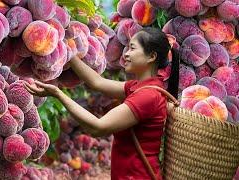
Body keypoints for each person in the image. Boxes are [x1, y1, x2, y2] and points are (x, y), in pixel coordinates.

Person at [25, 27, 180, 180]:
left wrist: (58, 94)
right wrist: (66, 49)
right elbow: (97, 82)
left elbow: (98, 127)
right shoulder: (142, 86)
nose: (125, 54)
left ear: (151, 56)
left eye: (132, 48)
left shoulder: (147, 96)